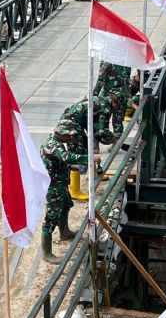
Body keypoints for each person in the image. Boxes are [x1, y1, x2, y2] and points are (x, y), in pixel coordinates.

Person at [40, 124, 102, 264]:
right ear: (59, 133)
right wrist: (90, 157)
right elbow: (66, 157)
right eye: (67, 135)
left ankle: (64, 232)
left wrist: (68, 167)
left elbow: (57, 161)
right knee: (51, 217)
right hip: (53, 187)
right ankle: (47, 252)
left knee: (66, 205)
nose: (69, 137)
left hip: (60, 183)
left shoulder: (58, 143)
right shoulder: (52, 145)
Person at [94, 62, 132, 137]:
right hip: (122, 95)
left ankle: (100, 142)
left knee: (102, 119)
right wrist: (128, 97)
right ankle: (116, 144)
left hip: (108, 95)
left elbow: (100, 81)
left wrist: (93, 96)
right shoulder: (126, 61)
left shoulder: (107, 62)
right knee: (118, 121)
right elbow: (127, 81)